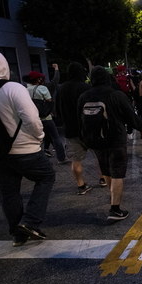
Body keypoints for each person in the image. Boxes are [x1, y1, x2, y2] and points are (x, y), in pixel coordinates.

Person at [0, 51, 56, 246]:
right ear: (3, 66)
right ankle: (30, 222)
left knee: (9, 192)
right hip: (24, 149)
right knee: (46, 176)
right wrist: (39, 136)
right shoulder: (12, 87)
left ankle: (18, 234)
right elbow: (31, 118)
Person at [77, 67, 142, 221]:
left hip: (96, 140)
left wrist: (84, 138)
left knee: (106, 170)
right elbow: (130, 115)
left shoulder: (84, 96)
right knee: (117, 172)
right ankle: (115, 209)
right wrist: (141, 128)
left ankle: (113, 195)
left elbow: (78, 119)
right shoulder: (115, 95)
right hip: (115, 139)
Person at [56, 62, 97, 195]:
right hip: (89, 128)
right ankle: (103, 178)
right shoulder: (86, 87)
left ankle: (81, 185)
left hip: (71, 129)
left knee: (76, 159)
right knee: (99, 155)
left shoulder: (61, 88)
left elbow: (57, 109)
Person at [26, 70, 68, 164]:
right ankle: (61, 158)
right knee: (55, 137)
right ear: (38, 79)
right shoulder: (42, 88)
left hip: (35, 118)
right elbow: (49, 100)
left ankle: (40, 160)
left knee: (38, 140)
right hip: (46, 118)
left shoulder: (26, 89)